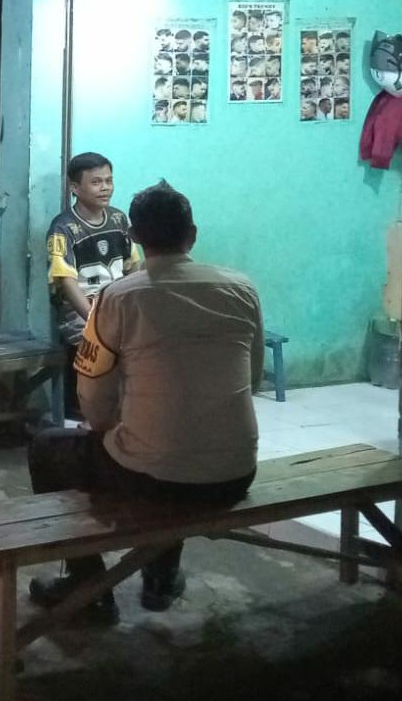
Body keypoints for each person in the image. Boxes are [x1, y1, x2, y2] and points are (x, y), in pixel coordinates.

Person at [27, 181, 263, 623]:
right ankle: (160, 578)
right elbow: (251, 379)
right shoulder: (242, 288)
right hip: (235, 474)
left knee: (50, 447)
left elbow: (93, 399)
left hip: (154, 479)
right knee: (164, 440)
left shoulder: (118, 297)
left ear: (134, 237)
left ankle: (87, 585)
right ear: (192, 234)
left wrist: (113, 428)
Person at [45, 152, 134, 420]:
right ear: (75, 188)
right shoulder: (63, 228)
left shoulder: (119, 219)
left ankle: (130, 411)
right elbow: (66, 282)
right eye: (96, 182)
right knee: (101, 342)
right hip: (81, 311)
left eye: (109, 181)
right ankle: (87, 412)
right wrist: (95, 320)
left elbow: (133, 267)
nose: (105, 188)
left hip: (117, 305)